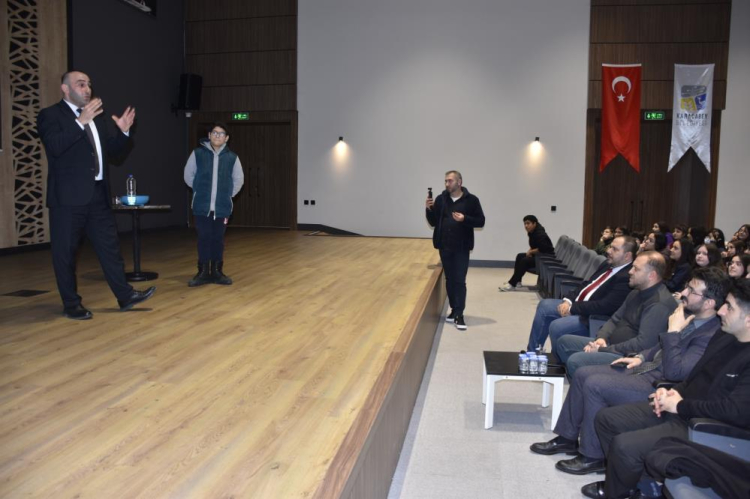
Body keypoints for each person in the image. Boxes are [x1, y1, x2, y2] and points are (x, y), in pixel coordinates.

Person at [530, 267, 728, 479]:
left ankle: (593, 456)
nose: (684, 293)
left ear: (709, 303)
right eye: (687, 286)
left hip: (660, 384)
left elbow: (675, 372)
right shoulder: (690, 316)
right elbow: (659, 346)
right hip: (647, 368)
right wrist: (641, 357)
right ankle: (567, 438)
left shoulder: (711, 333)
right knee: (582, 374)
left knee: (594, 384)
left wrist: (673, 331)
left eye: (692, 290)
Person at [583, 279, 750, 499]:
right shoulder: (724, 336)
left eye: (729, 306)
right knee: (606, 419)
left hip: (706, 427)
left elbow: (734, 412)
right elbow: (696, 376)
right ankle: (639, 486)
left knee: (624, 446)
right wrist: (673, 391)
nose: (720, 311)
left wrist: (680, 406)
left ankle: (621, 490)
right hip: (684, 407)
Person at [37, 70, 156, 320]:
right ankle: (71, 304)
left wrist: (123, 133)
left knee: (110, 249)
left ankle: (125, 296)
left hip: (98, 195)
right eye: (81, 84)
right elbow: (55, 147)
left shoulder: (96, 118)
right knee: (65, 254)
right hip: (68, 199)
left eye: (89, 84)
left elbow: (112, 154)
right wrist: (80, 122)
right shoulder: (51, 115)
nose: (87, 89)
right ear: (65, 89)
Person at [555, 251, 677, 377]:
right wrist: (601, 338)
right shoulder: (636, 292)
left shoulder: (659, 304)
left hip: (628, 357)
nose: (630, 271)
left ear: (651, 275)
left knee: (576, 360)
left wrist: (603, 349)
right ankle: (585, 381)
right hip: (611, 345)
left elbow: (642, 344)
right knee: (564, 342)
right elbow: (615, 319)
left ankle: (588, 383)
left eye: (636, 269)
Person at [525, 236, 636, 352]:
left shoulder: (626, 277)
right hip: (580, 306)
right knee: (544, 306)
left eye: (614, 249)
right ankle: (533, 352)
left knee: (557, 326)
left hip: (592, 317)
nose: (608, 251)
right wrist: (568, 301)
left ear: (627, 256)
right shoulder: (607, 264)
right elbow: (586, 284)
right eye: (610, 247)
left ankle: (557, 359)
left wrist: (572, 308)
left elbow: (604, 306)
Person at [183, 123, 244, 286]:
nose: (217, 136)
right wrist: (199, 190)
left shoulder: (232, 158)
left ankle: (217, 272)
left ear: (227, 138)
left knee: (218, 239)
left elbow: (238, 180)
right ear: (209, 135)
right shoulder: (197, 154)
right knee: (204, 237)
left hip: (222, 207)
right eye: (214, 133)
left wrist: (227, 195)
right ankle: (203, 272)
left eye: (221, 133)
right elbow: (188, 175)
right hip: (201, 207)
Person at [425, 170, 485, 330]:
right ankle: (453, 310)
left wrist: (465, 219)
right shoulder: (441, 199)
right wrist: (429, 209)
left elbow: (481, 221)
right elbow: (433, 222)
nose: (447, 184)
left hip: (461, 247)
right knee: (450, 280)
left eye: (450, 181)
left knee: (459, 280)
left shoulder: (471, 200)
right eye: (445, 181)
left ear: (459, 182)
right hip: (444, 246)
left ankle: (459, 314)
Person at [499, 215, 554, 291]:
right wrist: (530, 251)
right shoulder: (532, 232)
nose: (526, 226)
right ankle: (518, 281)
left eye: (528, 223)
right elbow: (535, 245)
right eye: (525, 224)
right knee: (520, 256)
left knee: (524, 261)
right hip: (539, 256)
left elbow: (543, 249)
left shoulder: (540, 234)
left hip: (545, 259)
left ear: (534, 224)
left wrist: (531, 251)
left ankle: (512, 284)